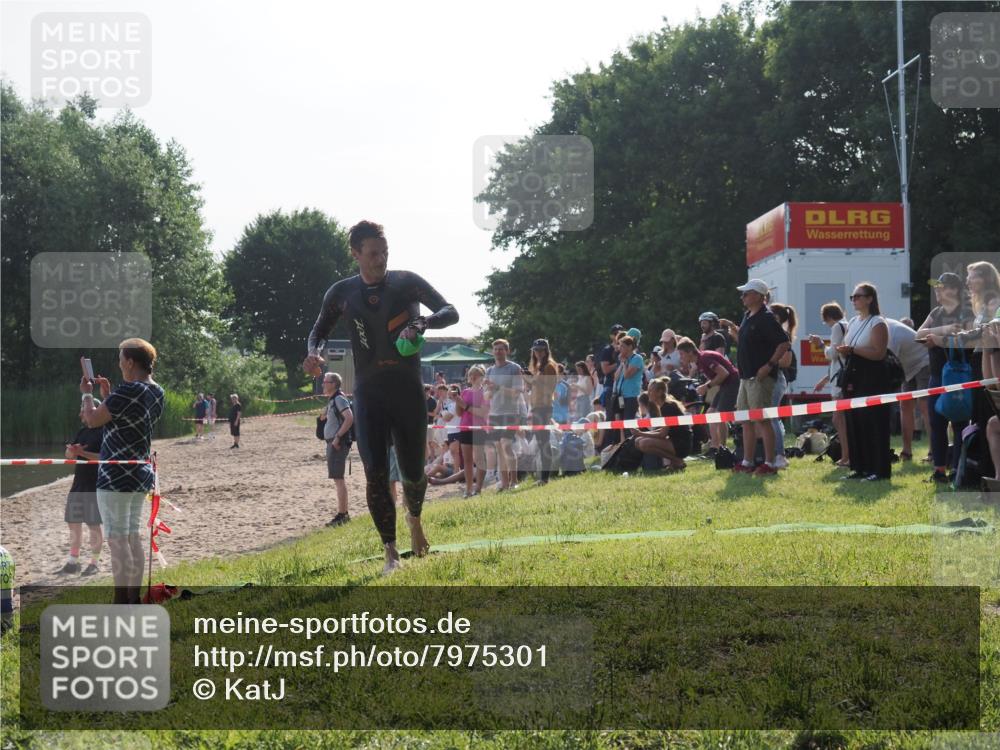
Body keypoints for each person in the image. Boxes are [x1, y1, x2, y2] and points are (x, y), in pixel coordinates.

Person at [304, 220, 458, 575]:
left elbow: (450, 311)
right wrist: (314, 353)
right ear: (356, 254)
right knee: (375, 474)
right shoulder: (342, 293)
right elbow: (318, 332)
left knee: (412, 472)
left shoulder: (406, 283)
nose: (381, 260)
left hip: (407, 390)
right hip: (369, 394)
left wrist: (423, 324)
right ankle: (390, 551)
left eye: (384, 252)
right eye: (373, 254)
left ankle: (415, 519)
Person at [80, 338, 164, 604]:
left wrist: (87, 394)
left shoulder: (128, 390)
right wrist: (108, 397)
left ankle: (121, 601)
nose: (119, 364)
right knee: (132, 537)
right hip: (139, 473)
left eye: (120, 359)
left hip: (115, 476)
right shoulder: (156, 391)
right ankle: (132, 599)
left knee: (117, 540)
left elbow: (92, 420)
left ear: (129, 361)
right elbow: (128, 421)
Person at [918, 272, 974, 482]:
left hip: (959, 377)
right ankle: (939, 470)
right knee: (936, 423)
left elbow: (969, 342)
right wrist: (944, 330)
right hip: (936, 378)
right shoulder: (936, 312)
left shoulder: (967, 313)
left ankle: (957, 471)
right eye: (936, 287)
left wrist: (940, 339)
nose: (937, 290)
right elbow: (918, 334)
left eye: (941, 286)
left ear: (955, 290)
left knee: (960, 423)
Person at [731, 279, 790, 476]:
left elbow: (783, 343)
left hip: (760, 378)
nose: (742, 297)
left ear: (758, 296)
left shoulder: (766, 318)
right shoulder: (747, 315)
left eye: (746, 293)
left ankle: (770, 463)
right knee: (746, 420)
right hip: (745, 377)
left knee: (762, 420)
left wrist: (769, 365)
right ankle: (747, 461)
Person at [839, 283, 892, 481]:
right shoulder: (853, 321)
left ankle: (878, 469)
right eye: (852, 297)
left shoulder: (877, 322)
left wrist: (852, 350)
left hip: (873, 377)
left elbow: (879, 353)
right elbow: (848, 345)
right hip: (854, 375)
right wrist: (844, 350)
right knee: (855, 422)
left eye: (858, 296)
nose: (854, 300)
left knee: (874, 423)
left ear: (870, 299)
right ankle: (859, 467)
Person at [55, 400, 105, 576]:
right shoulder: (82, 432)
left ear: (94, 410)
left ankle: (94, 563)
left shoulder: (104, 432)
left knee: (93, 525)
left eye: (82, 410)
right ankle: (73, 562)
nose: (80, 414)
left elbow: (104, 457)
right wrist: (72, 451)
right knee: (73, 523)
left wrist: (82, 453)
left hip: (95, 485)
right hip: (78, 483)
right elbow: (69, 455)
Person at [676, 337, 739, 453]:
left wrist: (707, 386)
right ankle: (715, 447)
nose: (680, 357)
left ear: (690, 352)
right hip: (725, 385)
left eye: (681, 354)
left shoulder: (705, 358)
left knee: (720, 416)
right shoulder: (700, 360)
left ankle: (721, 449)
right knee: (710, 413)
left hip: (732, 383)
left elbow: (724, 373)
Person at [811, 302, 851, 467]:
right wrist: (825, 379)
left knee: (838, 418)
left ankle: (846, 456)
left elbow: (833, 354)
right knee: (844, 418)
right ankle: (848, 454)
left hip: (839, 381)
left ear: (827, 317)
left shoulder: (836, 327)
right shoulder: (848, 325)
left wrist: (821, 345)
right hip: (845, 377)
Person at [885, 317, 931, 461]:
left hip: (924, 362)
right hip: (907, 369)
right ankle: (906, 452)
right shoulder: (880, 328)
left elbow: (889, 364)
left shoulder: (891, 333)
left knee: (925, 406)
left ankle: (934, 452)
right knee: (905, 406)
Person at [484, 339, 524, 492]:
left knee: (506, 445)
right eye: (495, 349)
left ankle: (514, 481)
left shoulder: (514, 368)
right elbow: (487, 396)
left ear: (507, 351)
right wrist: (490, 390)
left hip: (511, 412)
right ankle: (504, 482)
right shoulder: (489, 371)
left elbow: (516, 393)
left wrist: (498, 387)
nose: (498, 351)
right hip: (495, 414)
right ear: (492, 351)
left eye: (501, 349)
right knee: (499, 447)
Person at [633, 378, 692, 471]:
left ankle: (677, 460)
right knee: (638, 441)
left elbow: (662, 434)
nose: (648, 393)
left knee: (643, 442)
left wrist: (640, 433)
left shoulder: (668, 407)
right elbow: (662, 431)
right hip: (675, 441)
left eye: (651, 390)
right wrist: (641, 434)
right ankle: (675, 462)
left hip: (681, 444)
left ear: (660, 392)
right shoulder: (663, 406)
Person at [320, 372, 354, 528]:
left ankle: (342, 514)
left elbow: (349, 417)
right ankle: (343, 513)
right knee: (338, 479)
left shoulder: (339, 399)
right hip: (333, 443)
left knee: (339, 479)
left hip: (337, 444)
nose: (323, 384)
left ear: (333, 384)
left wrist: (337, 437)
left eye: (325, 382)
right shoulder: (333, 399)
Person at [768, 303, 799, 469]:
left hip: (776, 379)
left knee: (772, 417)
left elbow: (785, 362)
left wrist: (767, 362)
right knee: (771, 418)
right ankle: (772, 454)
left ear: (777, 318)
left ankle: (780, 455)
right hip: (770, 379)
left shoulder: (782, 335)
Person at [527, 339, 558, 485]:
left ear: (546, 351)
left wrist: (532, 380)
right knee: (540, 442)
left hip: (544, 408)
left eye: (541, 350)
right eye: (536, 350)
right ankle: (543, 477)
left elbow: (549, 389)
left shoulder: (550, 367)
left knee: (544, 442)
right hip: (536, 407)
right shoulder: (538, 366)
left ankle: (545, 478)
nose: (538, 353)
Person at [456, 365, 488, 497]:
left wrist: (464, 405)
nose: (473, 377)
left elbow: (482, 413)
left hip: (479, 428)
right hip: (465, 428)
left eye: (476, 374)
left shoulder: (484, 393)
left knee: (480, 458)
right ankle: (468, 489)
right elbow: (459, 413)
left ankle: (478, 488)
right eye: (471, 375)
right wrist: (457, 401)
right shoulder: (464, 392)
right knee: (467, 460)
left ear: (482, 377)